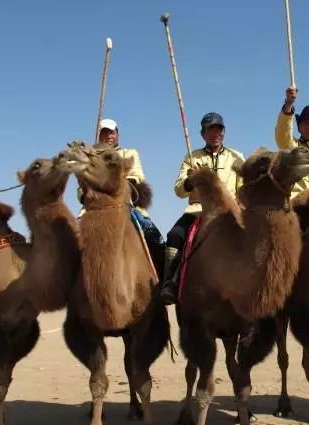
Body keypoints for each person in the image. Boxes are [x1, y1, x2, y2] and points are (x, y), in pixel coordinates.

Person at [160, 112, 245, 303]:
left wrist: (240, 209)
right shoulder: (192, 157)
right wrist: (190, 181)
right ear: (203, 134)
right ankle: (170, 283)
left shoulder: (236, 157)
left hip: (229, 212)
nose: (215, 133)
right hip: (197, 211)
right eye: (211, 129)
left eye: (218, 129)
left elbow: (244, 190)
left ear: (223, 132)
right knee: (174, 236)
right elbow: (178, 190)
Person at [77, 118, 163, 254]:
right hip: (93, 208)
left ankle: (162, 275)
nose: (108, 136)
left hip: (126, 205)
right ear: (99, 135)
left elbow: (136, 177)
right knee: (70, 242)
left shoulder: (129, 154)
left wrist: (107, 185)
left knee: (156, 241)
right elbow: (80, 191)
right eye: (104, 132)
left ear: (117, 134)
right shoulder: (91, 159)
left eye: (111, 132)